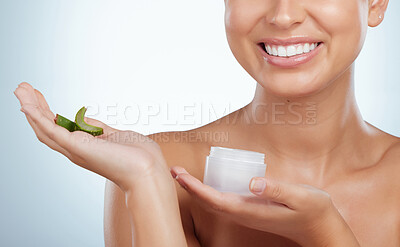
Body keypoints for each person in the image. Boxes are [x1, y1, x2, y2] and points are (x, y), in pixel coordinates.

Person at [14, 0, 399, 246]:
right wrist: (146, 181)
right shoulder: (166, 169)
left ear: (376, 4)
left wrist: (324, 231)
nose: (284, 14)